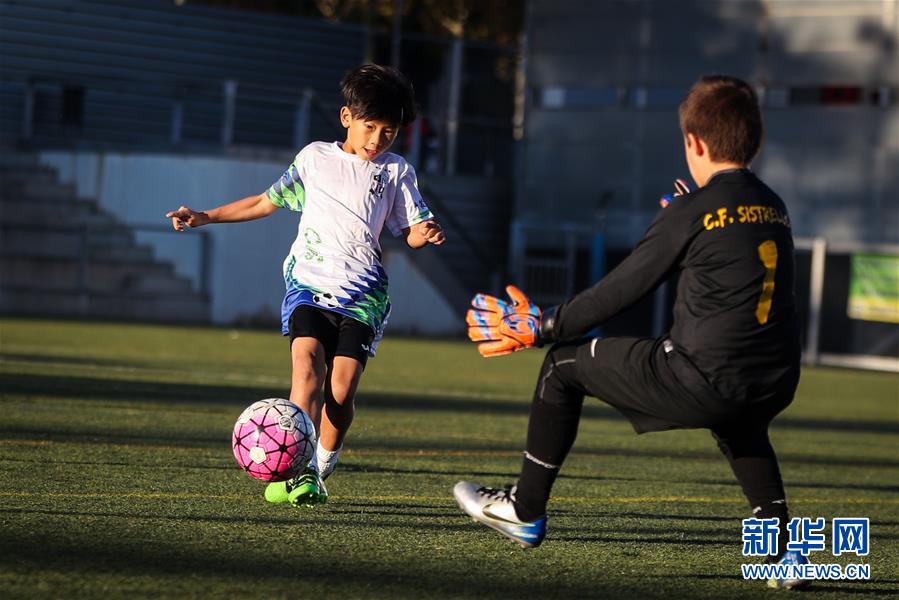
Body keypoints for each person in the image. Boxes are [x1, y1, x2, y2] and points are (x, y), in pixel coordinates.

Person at [456, 75, 808, 589]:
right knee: (741, 419)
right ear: (755, 139)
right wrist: (687, 221)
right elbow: (725, 246)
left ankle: (523, 509)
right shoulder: (775, 206)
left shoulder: (693, 211)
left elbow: (620, 290)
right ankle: (784, 555)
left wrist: (544, 326)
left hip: (701, 378)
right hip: (775, 380)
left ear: (694, 143)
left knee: (562, 366)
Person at [166, 64, 445, 508]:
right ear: (346, 118)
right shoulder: (314, 158)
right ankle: (301, 470)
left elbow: (409, 230)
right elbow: (264, 201)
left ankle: (323, 457)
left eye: (388, 132)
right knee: (307, 370)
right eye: (369, 127)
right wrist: (205, 216)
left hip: (362, 295)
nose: (376, 140)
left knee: (342, 390)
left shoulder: (396, 172)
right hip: (309, 284)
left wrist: (424, 233)